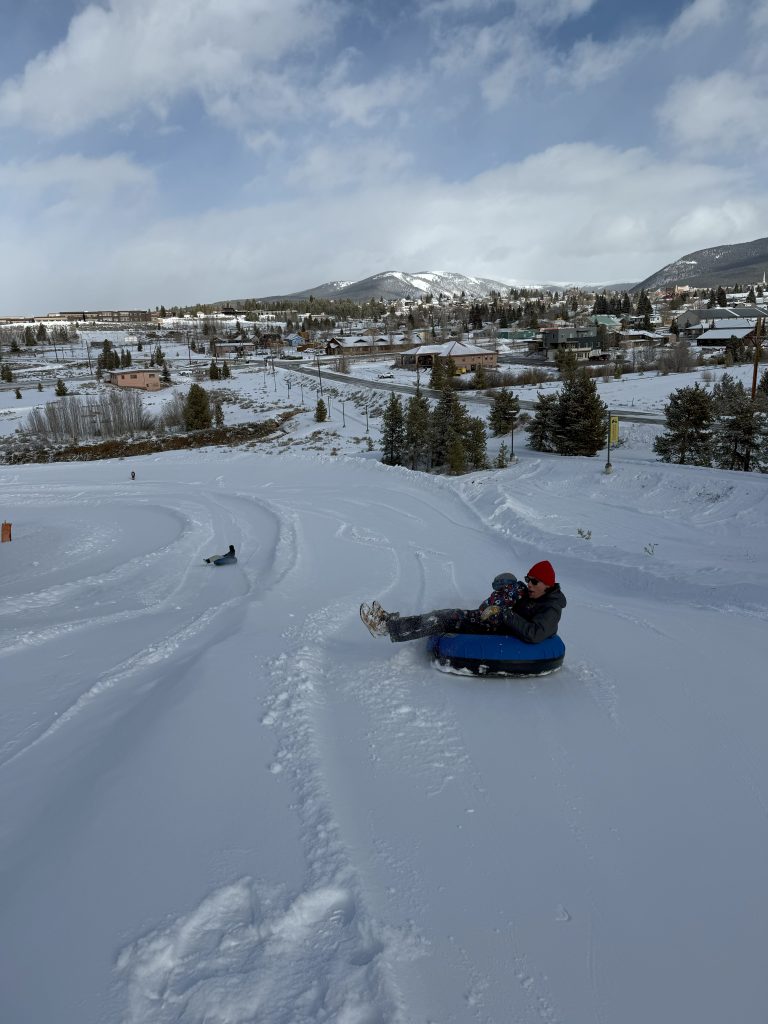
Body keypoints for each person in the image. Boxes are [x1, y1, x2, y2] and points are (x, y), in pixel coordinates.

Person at [360, 560, 565, 644]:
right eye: (528, 579)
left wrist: (504, 614)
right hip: (494, 622)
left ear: (547, 584)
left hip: (498, 631)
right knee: (446, 613)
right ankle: (390, 621)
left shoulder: (551, 607)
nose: (529, 584)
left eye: (534, 581)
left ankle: (387, 628)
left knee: (442, 620)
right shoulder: (533, 595)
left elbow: (535, 634)